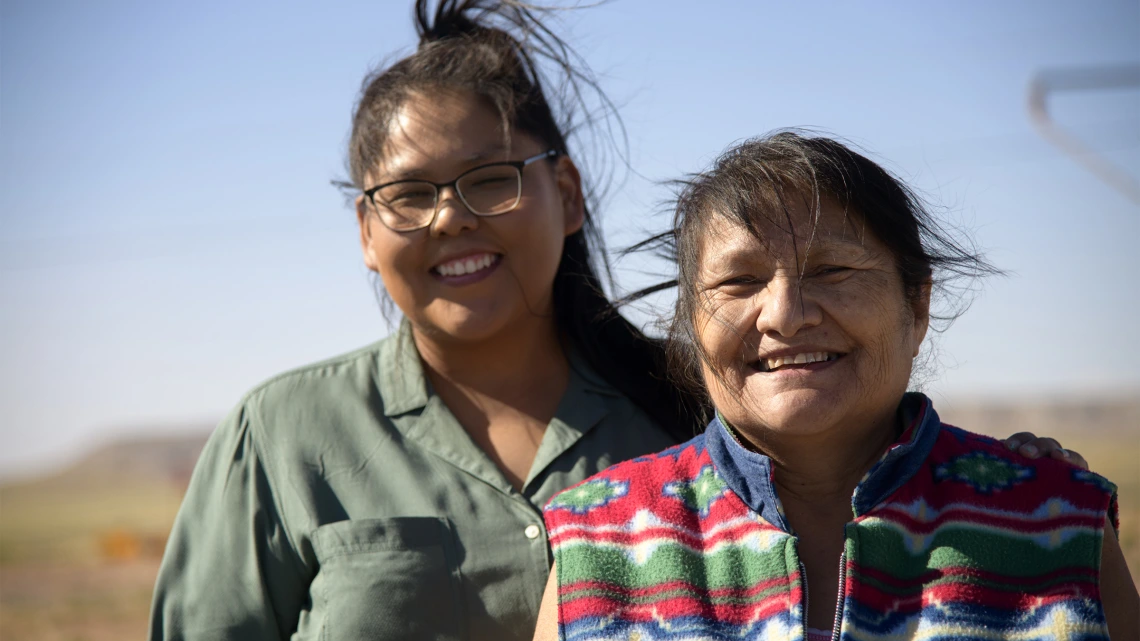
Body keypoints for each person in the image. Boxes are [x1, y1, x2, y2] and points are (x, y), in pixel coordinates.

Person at [147, 2, 1091, 639]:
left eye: (489, 179)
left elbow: (869, 478)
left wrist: (1026, 485)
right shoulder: (279, 434)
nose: (451, 217)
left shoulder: (699, 399)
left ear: (567, 190)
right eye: (408, 195)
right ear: (365, 227)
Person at [536, 132, 1138, 641]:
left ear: (917, 304)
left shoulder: (1058, 526)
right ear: (694, 321)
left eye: (831, 270)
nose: (785, 315)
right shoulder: (597, 543)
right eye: (739, 281)